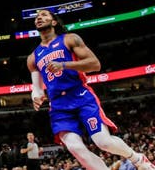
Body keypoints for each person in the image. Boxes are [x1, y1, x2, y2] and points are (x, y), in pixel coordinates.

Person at [27, 9, 155, 170]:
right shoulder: (33, 57)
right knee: (75, 148)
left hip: (80, 95)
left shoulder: (69, 39)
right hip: (58, 105)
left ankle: (137, 158)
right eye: (37, 17)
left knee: (104, 142)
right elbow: (37, 88)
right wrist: (36, 95)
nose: (39, 18)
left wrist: (64, 64)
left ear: (54, 22)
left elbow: (95, 64)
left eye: (44, 15)